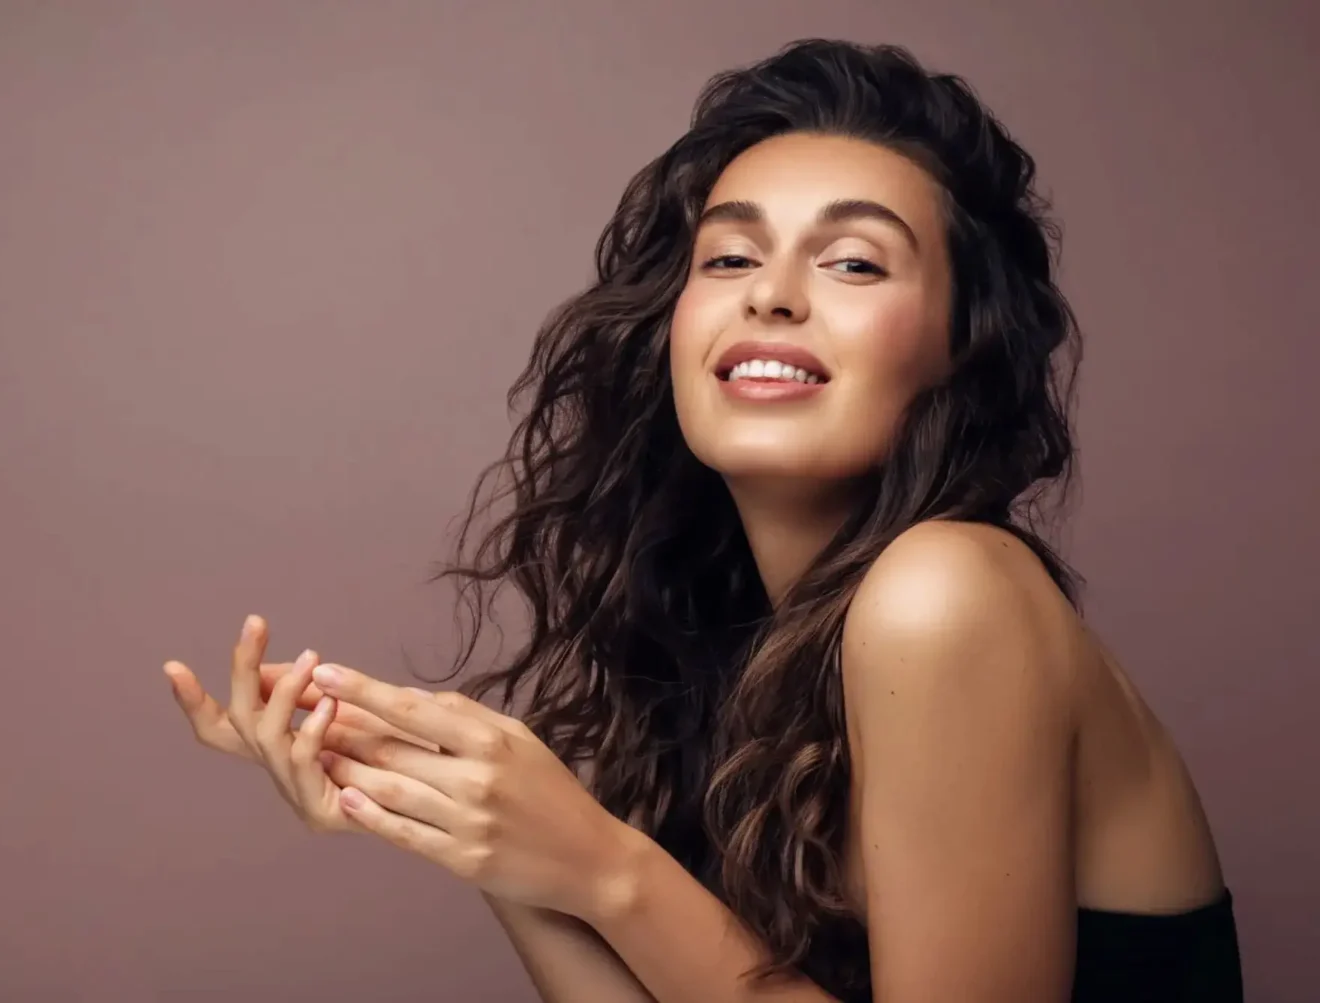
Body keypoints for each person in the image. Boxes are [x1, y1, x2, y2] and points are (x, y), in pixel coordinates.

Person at [162, 39, 1242, 1003]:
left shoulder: (945, 593)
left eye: (854, 261)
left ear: (964, 340)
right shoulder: (753, 653)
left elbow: (616, 881)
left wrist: (601, 864)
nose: (769, 294)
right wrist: (465, 820)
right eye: (728, 256)